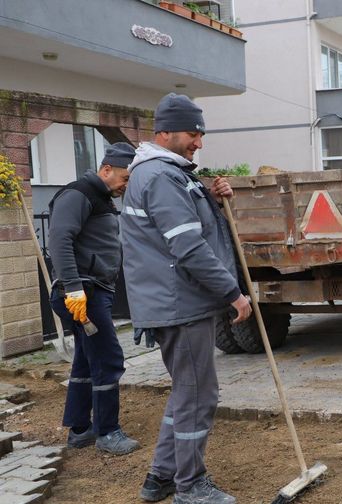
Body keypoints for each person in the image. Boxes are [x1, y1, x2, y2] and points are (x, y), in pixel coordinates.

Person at [121, 93, 251, 504]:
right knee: (198, 394)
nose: (199, 141)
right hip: (180, 305)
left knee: (186, 391)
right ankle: (190, 485)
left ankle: (161, 477)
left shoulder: (172, 174)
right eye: (194, 133)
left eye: (201, 133)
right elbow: (188, 247)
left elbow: (180, 225)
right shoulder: (161, 176)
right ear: (167, 132)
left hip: (175, 302)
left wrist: (211, 201)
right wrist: (233, 293)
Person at [47, 143, 141, 455]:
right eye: (125, 177)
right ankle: (107, 431)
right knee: (109, 358)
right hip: (82, 293)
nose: (127, 184)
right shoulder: (80, 193)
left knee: (88, 358)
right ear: (106, 170)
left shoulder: (100, 197)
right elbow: (60, 238)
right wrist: (74, 288)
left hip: (90, 290)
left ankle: (79, 429)